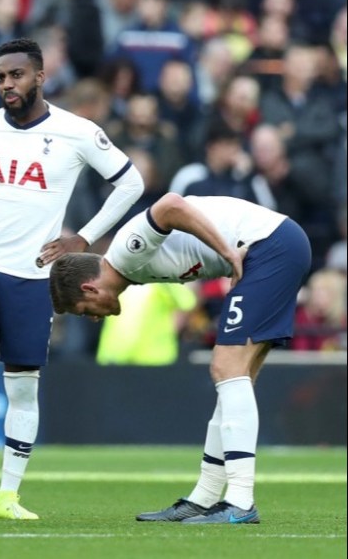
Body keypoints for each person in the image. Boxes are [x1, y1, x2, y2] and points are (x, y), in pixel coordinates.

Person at [0, 37, 144, 521]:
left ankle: (8, 497)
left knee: (22, 388)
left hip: (30, 277)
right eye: (0, 77)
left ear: (40, 77)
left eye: (17, 75)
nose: (7, 85)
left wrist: (83, 238)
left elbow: (131, 183)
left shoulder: (76, 131)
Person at [49, 193, 311, 524]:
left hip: (268, 247)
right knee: (233, 377)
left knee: (225, 368)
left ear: (90, 288)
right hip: (275, 245)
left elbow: (170, 205)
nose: (94, 319)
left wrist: (228, 252)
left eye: (85, 311)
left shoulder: (126, 253)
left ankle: (241, 501)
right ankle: (204, 498)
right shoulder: (131, 271)